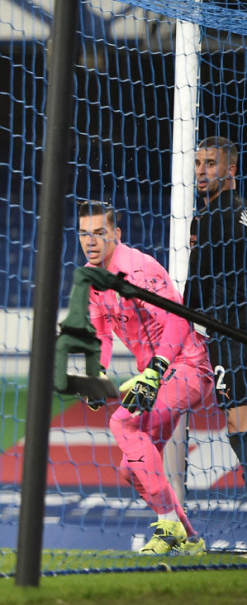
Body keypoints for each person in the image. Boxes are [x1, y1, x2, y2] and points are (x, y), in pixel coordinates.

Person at [78, 201, 210, 554]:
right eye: (84, 234)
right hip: (155, 376)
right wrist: (97, 374)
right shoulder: (92, 278)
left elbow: (179, 318)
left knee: (123, 425)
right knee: (131, 468)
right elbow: (101, 334)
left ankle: (167, 527)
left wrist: (155, 369)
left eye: (99, 233)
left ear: (116, 234)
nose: (90, 241)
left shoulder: (137, 269)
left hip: (187, 366)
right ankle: (190, 540)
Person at [185, 137, 247, 488]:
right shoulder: (241, 210)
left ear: (231, 169)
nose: (201, 171)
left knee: (240, 426)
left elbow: (197, 288)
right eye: (198, 163)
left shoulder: (208, 219)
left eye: (210, 163)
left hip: (233, 334)